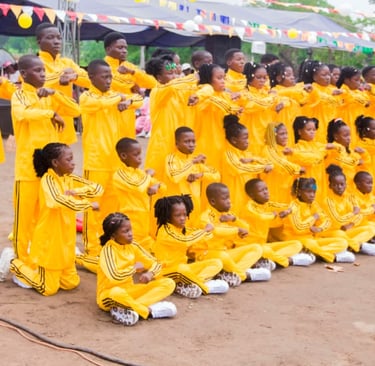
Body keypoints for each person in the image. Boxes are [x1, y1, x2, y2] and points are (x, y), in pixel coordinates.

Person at [11, 54, 80, 264]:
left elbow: (76, 110)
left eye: (43, 71)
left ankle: (41, 257)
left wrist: (56, 95)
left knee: (46, 215)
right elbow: (23, 114)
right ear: (23, 74)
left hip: (51, 169)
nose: (43, 74)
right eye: (37, 71)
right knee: (24, 219)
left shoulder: (50, 94)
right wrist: (49, 113)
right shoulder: (20, 95)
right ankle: (21, 260)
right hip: (28, 169)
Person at [10, 143, 102, 294]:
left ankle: (67, 264)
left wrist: (76, 191)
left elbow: (97, 188)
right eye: (69, 159)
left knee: (71, 283)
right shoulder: (48, 180)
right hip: (50, 243)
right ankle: (14, 264)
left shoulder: (69, 178)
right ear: (55, 163)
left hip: (65, 243)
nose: (73, 163)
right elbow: (57, 201)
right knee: (48, 289)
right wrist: (87, 204)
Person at [76, 59, 130, 273]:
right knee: (93, 208)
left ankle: (109, 244)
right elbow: (104, 102)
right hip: (96, 162)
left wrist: (124, 98)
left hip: (115, 162)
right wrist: (121, 97)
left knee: (112, 205)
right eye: (104, 77)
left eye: (110, 77)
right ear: (91, 78)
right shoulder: (87, 97)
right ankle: (91, 250)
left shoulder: (112, 97)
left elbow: (134, 97)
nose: (109, 81)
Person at [97, 212, 177, 326]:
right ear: (113, 235)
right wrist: (133, 268)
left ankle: (131, 308)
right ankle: (149, 312)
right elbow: (114, 277)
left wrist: (150, 273)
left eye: (130, 230)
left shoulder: (133, 245)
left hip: (130, 291)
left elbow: (156, 263)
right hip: (109, 295)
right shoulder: (107, 251)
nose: (130, 234)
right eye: (125, 231)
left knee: (168, 283)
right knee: (117, 292)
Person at [153, 195, 229, 298]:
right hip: (166, 272)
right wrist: (204, 230)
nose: (183, 218)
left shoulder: (182, 229)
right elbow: (185, 241)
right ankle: (204, 287)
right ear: (167, 216)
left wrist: (210, 230)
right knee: (182, 269)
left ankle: (187, 284)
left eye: (185, 214)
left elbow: (199, 235)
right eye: (177, 215)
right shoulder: (165, 231)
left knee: (216, 263)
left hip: (184, 269)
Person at [197, 182, 271, 286]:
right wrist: (236, 230)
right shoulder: (205, 217)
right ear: (213, 201)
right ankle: (243, 275)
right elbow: (216, 230)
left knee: (256, 248)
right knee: (223, 257)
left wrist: (234, 219)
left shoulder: (227, 214)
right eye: (225, 199)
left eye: (229, 198)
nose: (229, 202)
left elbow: (246, 228)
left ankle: (229, 274)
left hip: (225, 253)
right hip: (206, 255)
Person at [35, 22, 91, 145]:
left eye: (59, 38)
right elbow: (33, 85)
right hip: (44, 122)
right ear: (39, 42)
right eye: (50, 38)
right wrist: (59, 78)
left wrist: (75, 76)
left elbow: (90, 81)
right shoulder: (33, 63)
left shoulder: (67, 63)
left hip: (65, 123)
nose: (56, 41)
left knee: (63, 162)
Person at [144, 55, 198, 178]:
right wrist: (192, 77)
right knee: (160, 179)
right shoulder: (158, 91)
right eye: (169, 73)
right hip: (162, 145)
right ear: (159, 77)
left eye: (175, 73)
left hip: (178, 143)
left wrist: (194, 97)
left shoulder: (177, 91)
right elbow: (174, 85)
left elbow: (189, 89)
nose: (174, 76)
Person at [274, 177, 351, 263]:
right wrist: (313, 218)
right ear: (299, 192)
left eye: (314, 192)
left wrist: (320, 228)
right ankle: (331, 257)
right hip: (295, 239)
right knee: (310, 244)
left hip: (311, 239)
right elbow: (299, 228)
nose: (312, 195)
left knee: (342, 242)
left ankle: (311, 254)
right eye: (308, 192)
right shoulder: (293, 206)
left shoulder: (314, 204)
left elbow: (327, 220)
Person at [242, 178, 315, 267]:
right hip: (250, 247)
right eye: (261, 191)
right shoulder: (249, 208)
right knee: (263, 250)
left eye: (266, 189)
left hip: (263, 245)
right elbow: (261, 217)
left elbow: (290, 206)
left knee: (296, 244)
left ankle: (266, 260)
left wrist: (288, 211)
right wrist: (274, 215)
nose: (266, 192)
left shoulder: (268, 204)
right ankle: (289, 261)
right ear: (251, 195)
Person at [113, 137, 165, 252]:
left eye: (140, 154)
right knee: (130, 258)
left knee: (161, 253)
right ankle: (81, 258)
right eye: (136, 155)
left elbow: (163, 187)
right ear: (124, 156)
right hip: (131, 225)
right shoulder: (119, 175)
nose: (140, 158)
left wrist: (156, 186)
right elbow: (138, 186)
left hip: (144, 227)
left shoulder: (140, 173)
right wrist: (149, 176)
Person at [188, 63, 241, 171]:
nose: (223, 81)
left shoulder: (224, 95)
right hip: (207, 144)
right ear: (209, 79)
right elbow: (207, 94)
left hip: (221, 142)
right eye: (219, 78)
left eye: (224, 78)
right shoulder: (204, 95)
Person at [103, 32, 155, 138]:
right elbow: (105, 91)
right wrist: (130, 89)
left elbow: (152, 83)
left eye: (125, 48)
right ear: (108, 49)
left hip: (127, 120)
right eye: (120, 48)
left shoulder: (130, 67)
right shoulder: (101, 67)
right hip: (107, 119)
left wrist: (132, 72)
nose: (125, 51)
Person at [165, 126, 220, 225]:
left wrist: (200, 175)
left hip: (195, 206)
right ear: (177, 144)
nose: (191, 145)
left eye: (193, 141)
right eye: (187, 142)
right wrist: (192, 162)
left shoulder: (197, 159)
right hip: (178, 207)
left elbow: (216, 175)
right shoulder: (171, 158)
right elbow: (174, 177)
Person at [221, 114, 272, 214]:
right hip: (237, 199)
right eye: (245, 138)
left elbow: (269, 163)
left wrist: (252, 159)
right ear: (234, 140)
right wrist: (261, 167)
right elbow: (238, 168)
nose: (248, 142)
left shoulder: (247, 153)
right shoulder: (228, 154)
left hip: (250, 199)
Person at [322, 164, 375, 256]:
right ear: (330, 186)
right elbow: (338, 220)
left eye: (342, 184)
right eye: (335, 185)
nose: (339, 187)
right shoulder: (327, 201)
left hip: (346, 229)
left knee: (370, 229)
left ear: (346, 184)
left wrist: (351, 224)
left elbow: (359, 214)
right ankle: (358, 246)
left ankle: (350, 246)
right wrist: (352, 213)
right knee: (340, 234)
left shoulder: (349, 197)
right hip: (331, 231)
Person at [240, 62, 284, 154]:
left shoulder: (266, 92)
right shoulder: (244, 94)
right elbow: (261, 104)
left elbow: (273, 108)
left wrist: (277, 109)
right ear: (249, 76)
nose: (262, 80)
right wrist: (272, 97)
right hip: (253, 134)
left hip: (267, 133)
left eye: (264, 77)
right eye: (258, 77)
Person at [299, 60, 342, 143]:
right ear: (314, 77)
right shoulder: (310, 89)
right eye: (324, 75)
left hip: (331, 130)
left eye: (329, 74)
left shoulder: (333, 90)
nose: (328, 77)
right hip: (316, 131)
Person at [261, 122, 304, 204]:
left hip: (286, 192)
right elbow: (279, 164)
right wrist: (298, 169)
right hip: (274, 192)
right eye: (282, 134)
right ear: (273, 135)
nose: (286, 137)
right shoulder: (268, 150)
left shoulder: (284, 150)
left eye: (286, 133)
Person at [325, 118, 369, 192]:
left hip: (350, 189)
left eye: (349, 135)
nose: (349, 138)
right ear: (336, 136)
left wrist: (364, 153)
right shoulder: (333, 150)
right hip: (336, 190)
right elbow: (346, 162)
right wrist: (357, 161)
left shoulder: (349, 151)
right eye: (345, 135)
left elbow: (365, 162)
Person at [336, 66, 370, 146]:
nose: (359, 83)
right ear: (347, 80)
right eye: (356, 80)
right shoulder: (342, 91)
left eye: (360, 80)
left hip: (358, 125)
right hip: (348, 124)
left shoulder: (358, 92)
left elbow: (367, 102)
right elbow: (350, 98)